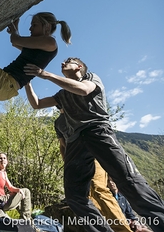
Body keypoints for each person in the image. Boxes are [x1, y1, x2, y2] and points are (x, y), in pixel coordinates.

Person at [23, 57, 164, 232]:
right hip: (75, 141)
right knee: (74, 196)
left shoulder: (90, 78)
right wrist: (27, 82)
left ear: (79, 67)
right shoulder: (62, 95)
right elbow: (37, 104)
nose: (62, 63)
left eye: (68, 61)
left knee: (128, 182)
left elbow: (83, 90)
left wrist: (44, 74)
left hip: (97, 132)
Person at [54, 109, 132, 232]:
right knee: (86, 197)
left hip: (93, 156)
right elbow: (63, 145)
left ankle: (123, 229)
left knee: (99, 190)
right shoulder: (58, 122)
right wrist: (68, 163)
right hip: (75, 161)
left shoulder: (78, 112)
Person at [0, 153, 31, 219]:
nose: (2, 160)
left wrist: (19, 190)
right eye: (0, 158)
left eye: (4, 158)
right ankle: (26, 220)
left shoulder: (4, 173)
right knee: (26, 191)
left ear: (7, 161)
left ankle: (25, 221)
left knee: (21, 195)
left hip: (3, 201)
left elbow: (10, 187)